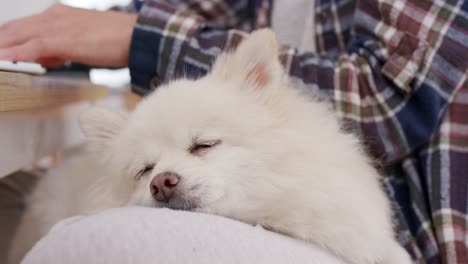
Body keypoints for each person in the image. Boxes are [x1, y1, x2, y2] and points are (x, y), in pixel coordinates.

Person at [0, 1, 466, 263]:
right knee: (19, 198)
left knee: (79, 245)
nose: (164, 179)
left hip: (409, 237)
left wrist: (133, 35)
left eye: (202, 147)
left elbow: (382, 98)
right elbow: (175, 9)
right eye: (146, 171)